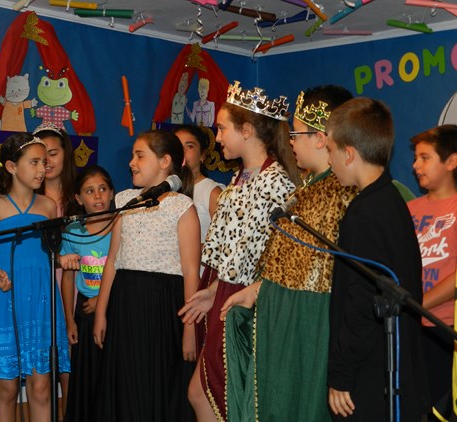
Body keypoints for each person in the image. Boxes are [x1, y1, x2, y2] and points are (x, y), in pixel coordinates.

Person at [220, 85, 356, 421]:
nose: (290, 141)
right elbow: (284, 261)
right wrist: (258, 289)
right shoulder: (306, 189)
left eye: (296, 133)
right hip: (283, 314)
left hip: (310, 320)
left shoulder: (343, 193)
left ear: (321, 139)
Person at [178, 81, 302, 421]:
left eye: (222, 129)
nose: (217, 137)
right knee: (209, 392)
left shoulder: (275, 182)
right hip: (224, 287)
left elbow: (274, 252)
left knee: (216, 392)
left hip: (247, 295)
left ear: (247, 131)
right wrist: (213, 288)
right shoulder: (240, 178)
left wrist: (228, 288)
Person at [325, 97, 429, 421]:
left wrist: (341, 374)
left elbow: (361, 304)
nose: (329, 160)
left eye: (329, 150)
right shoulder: (390, 200)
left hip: (371, 376)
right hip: (390, 367)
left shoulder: (365, 214)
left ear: (348, 154)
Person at [93, 129, 200, 421]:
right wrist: (101, 312)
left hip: (163, 305)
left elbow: (191, 271)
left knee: (157, 382)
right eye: (132, 156)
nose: (131, 162)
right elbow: (113, 260)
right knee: (125, 382)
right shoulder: (125, 200)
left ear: (165, 162)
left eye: (139, 156)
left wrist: (190, 328)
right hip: (125, 301)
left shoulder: (182, 207)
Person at [0, 133, 70, 421]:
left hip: (41, 299)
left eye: (45, 162)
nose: (42, 169)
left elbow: (50, 254)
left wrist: (63, 259)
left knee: (41, 387)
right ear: (12, 166)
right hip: (6, 297)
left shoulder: (48, 206)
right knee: (7, 388)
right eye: (34, 162)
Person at [407, 125, 457, 419]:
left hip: (444, 328)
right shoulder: (408, 209)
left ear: (451, 161)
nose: (416, 165)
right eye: (415, 158)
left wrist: (420, 303)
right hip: (409, 327)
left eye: (425, 158)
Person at [58, 165, 115, 421]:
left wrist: (101, 300)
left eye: (103, 189)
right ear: (79, 199)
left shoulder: (120, 226)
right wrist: (70, 320)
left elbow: (126, 271)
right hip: (85, 311)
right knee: (87, 374)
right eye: (90, 191)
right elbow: (68, 278)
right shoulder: (73, 232)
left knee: (110, 374)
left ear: (112, 193)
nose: (98, 196)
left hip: (115, 306)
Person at [33, 122, 77, 415]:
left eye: (53, 153)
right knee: (41, 376)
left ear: (66, 155)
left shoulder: (81, 199)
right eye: (40, 156)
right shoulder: (27, 202)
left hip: (74, 289)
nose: (47, 162)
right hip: (39, 290)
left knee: (71, 370)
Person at [174, 125, 224, 244]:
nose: (182, 152)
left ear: (202, 155)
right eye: (177, 146)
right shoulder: (164, 190)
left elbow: (221, 243)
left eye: (189, 146)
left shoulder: (213, 192)